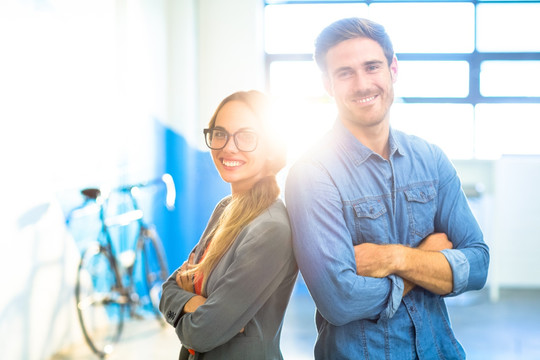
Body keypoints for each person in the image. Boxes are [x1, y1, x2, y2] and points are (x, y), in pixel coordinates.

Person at [285, 17, 490, 359]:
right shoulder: (312, 174)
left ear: (393, 69)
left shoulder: (430, 158)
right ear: (327, 83)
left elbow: (479, 265)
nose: (362, 84)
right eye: (345, 73)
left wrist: (392, 258)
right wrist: (427, 262)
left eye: (372, 67)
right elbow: (341, 301)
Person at [160, 90, 298, 360]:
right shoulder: (225, 209)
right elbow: (168, 288)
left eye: (246, 136)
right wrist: (193, 302)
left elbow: (202, 333)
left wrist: (190, 305)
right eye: (220, 133)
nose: (228, 147)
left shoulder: (270, 229)